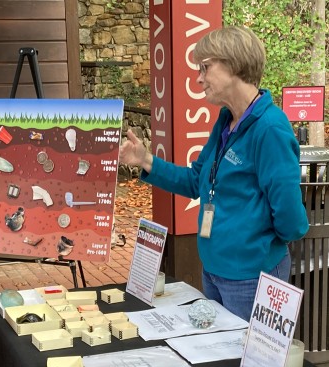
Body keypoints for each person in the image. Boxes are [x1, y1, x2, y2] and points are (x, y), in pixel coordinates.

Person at [119, 26, 308, 321]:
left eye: (205, 67)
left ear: (233, 65)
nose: (198, 77)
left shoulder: (269, 129)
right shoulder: (226, 120)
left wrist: (256, 245)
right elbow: (196, 182)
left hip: (250, 278)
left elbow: (292, 222)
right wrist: (146, 161)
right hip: (214, 271)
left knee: (240, 366)